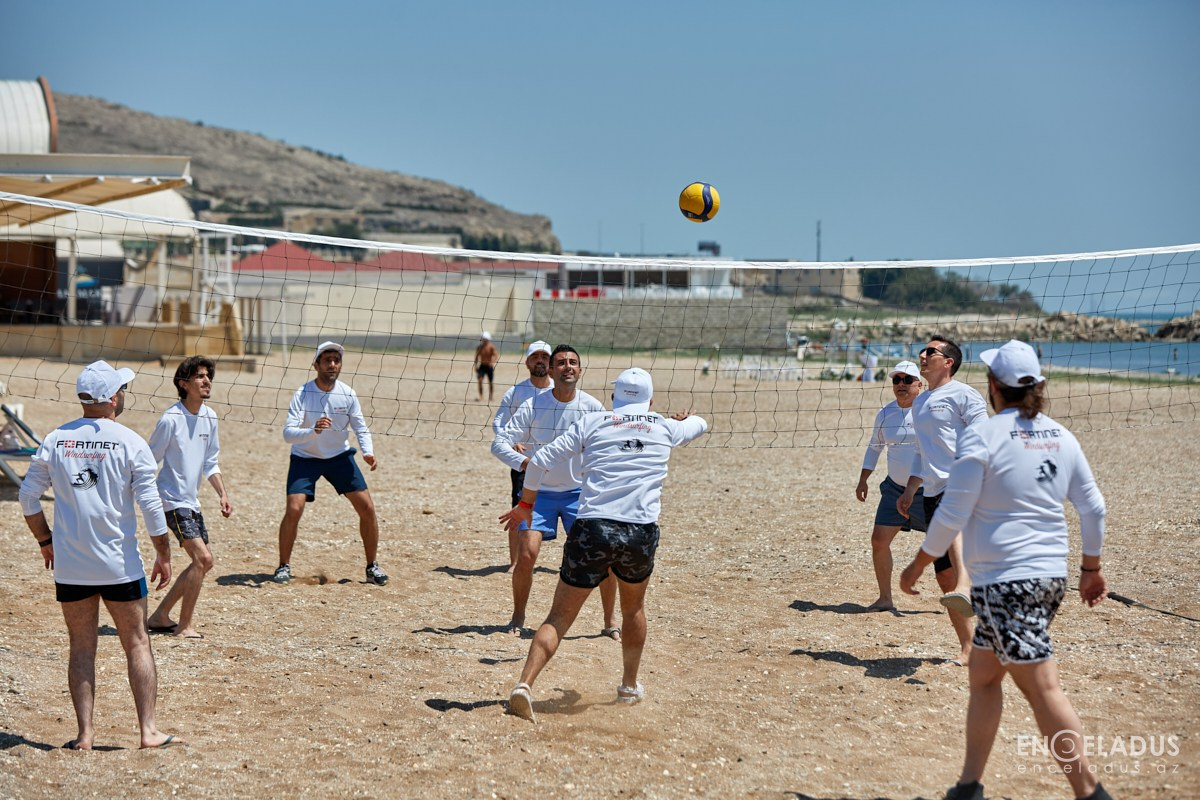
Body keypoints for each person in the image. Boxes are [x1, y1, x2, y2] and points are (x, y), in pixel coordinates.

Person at [899, 340, 1112, 800]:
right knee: (984, 675)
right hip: (1046, 578)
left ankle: (1091, 792)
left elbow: (954, 509)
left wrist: (918, 563)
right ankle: (968, 785)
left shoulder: (986, 435)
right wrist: (1090, 568)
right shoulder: (1060, 434)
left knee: (1043, 689)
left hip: (1008, 583)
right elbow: (1093, 508)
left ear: (994, 386)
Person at [501, 367, 708, 722]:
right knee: (633, 611)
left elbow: (538, 463)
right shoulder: (664, 427)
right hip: (639, 532)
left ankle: (524, 685)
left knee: (559, 616)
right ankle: (628, 686)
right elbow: (701, 423)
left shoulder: (594, 422)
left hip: (593, 528)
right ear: (651, 401)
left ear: (614, 399)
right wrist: (683, 420)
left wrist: (525, 504)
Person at [19, 360, 184, 750]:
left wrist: (46, 540)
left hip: (72, 565)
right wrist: (163, 554)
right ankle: (148, 732)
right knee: (138, 642)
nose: (124, 394)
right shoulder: (130, 441)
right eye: (122, 389)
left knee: (81, 647)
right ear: (112, 398)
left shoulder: (56, 439)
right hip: (119, 564)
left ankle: (85, 735)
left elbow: (27, 497)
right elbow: (151, 505)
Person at [491, 344, 618, 639]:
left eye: (573, 362)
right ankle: (518, 615)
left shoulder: (592, 407)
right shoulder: (533, 404)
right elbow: (499, 443)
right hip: (540, 494)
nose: (568, 367)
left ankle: (610, 621)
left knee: (603, 558)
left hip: (580, 494)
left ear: (580, 370)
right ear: (551, 371)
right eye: (561, 363)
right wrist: (524, 463)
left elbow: (614, 440)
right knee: (526, 555)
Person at [897, 335, 986, 665]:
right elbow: (923, 452)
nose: (922, 355)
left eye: (930, 351)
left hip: (962, 482)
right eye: (922, 351)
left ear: (948, 362)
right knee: (943, 576)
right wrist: (910, 490)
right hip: (932, 490)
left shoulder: (963, 394)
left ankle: (966, 586)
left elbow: (984, 433)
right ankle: (969, 647)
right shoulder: (920, 402)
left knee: (955, 539)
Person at [275, 341, 386, 586]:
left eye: (336, 360)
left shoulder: (347, 394)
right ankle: (283, 566)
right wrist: (312, 431)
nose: (333, 364)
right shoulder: (302, 394)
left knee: (367, 508)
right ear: (316, 365)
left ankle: (372, 566)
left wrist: (368, 452)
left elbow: (360, 427)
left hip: (338, 457)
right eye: (327, 360)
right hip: (305, 457)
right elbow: (288, 434)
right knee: (294, 509)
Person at [145, 356, 233, 639]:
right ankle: (184, 626)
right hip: (171, 500)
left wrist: (222, 494)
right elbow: (148, 462)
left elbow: (211, 462)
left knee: (205, 562)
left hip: (191, 501)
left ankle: (160, 616)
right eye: (199, 376)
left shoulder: (211, 416)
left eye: (208, 376)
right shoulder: (170, 419)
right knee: (203, 558)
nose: (207, 381)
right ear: (183, 384)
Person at [855, 361, 926, 611]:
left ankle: (961, 595)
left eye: (908, 380)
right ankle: (885, 598)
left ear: (920, 384)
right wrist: (864, 478)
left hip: (928, 491)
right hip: (895, 488)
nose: (901, 384)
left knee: (950, 545)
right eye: (897, 380)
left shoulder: (929, 410)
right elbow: (875, 446)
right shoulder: (886, 413)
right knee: (879, 541)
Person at [492, 340, 554, 566]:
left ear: (551, 362)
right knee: (518, 510)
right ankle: (515, 563)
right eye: (535, 357)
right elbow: (499, 422)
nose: (540, 360)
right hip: (524, 462)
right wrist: (510, 444)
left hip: (554, 462)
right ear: (527, 362)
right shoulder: (516, 392)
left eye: (545, 357)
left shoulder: (559, 390)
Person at [474, 331, 499, 402]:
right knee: (480, 380)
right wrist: (475, 366)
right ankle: (481, 396)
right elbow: (476, 357)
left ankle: (491, 396)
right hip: (482, 366)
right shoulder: (479, 347)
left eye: (485, 339)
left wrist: (492, 362)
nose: (484, 341)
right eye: (483, 339)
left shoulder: (491, 347)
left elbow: (495, 355)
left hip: (489, 367)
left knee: (490, 382)